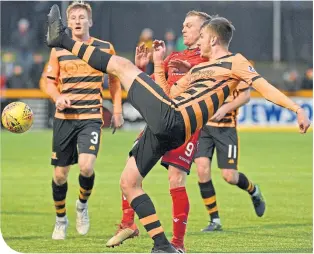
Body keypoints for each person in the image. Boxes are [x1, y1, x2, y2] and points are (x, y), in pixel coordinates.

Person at [46, 6, 311, 252]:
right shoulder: (197, 70)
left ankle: (62, 39)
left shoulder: (235, 62)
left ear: (213, 40)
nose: (193, 40)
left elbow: (264, 87)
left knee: (120, 65)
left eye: (202, 35)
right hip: (169, 124)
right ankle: (162, 245)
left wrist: (297, 109)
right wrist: (156, 66)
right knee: (128, 183)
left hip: (175, 120)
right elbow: (167, 93)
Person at [105, 11, 210, 252]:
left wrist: (159, 64)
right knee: (130, 165)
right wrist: (143, 70)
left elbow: (181, 92)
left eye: (189, 25)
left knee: (175, 178)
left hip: (184, 124)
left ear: (204, 31)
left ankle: (177, 245)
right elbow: (156, 87)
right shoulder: (175, 56)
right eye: (183, 24)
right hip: (161, 120)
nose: (184, 29)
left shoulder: (207, 61)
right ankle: (128, 223)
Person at [44, 2, 123, 240]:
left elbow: (115, 81)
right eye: (74, 18)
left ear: (91, 22)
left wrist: (117, 110)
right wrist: (58, 97)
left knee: (87, 166)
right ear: (67, 24)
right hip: (64, 119)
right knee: (60, 175)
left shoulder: (104, 48)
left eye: (82, 17)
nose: (78, 21)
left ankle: (81, 205)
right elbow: (49, 81)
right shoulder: (58, 49)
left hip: (91, 117)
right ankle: (60, 219)